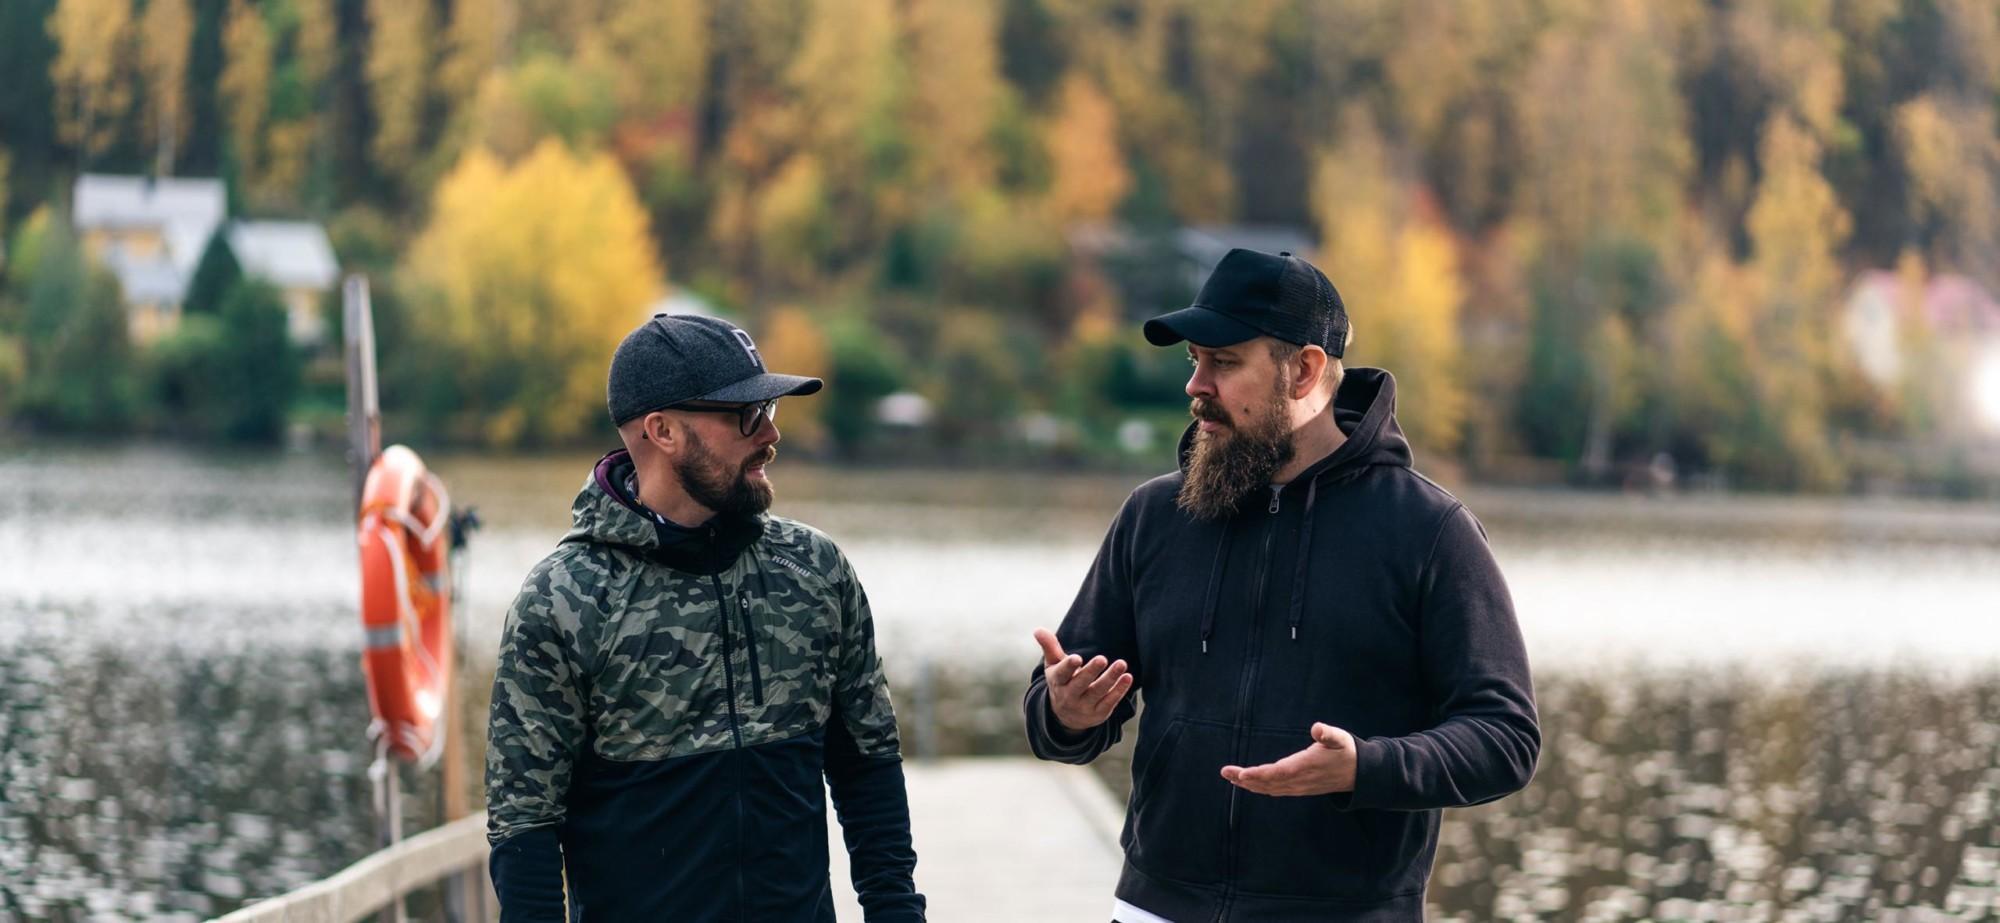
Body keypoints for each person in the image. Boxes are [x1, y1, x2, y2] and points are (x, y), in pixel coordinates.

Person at [1023, 248, 1539, 922]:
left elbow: (1505, 735)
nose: (1196, 385)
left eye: (1224, 362)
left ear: (1304, 370)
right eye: (1194, 361)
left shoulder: (1429, 531)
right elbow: (1060, 707)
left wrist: (1368, 765)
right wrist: (1067, 712)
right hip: (1155, 906)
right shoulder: (1154, 516)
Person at [486, 313, 925, 922]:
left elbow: (867, 765)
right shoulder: (563, 599)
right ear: (662, 430)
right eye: (745, 415)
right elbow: (524, 823)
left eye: (772, 411)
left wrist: (897, 914)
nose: (770, 434)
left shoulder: (816, 571)